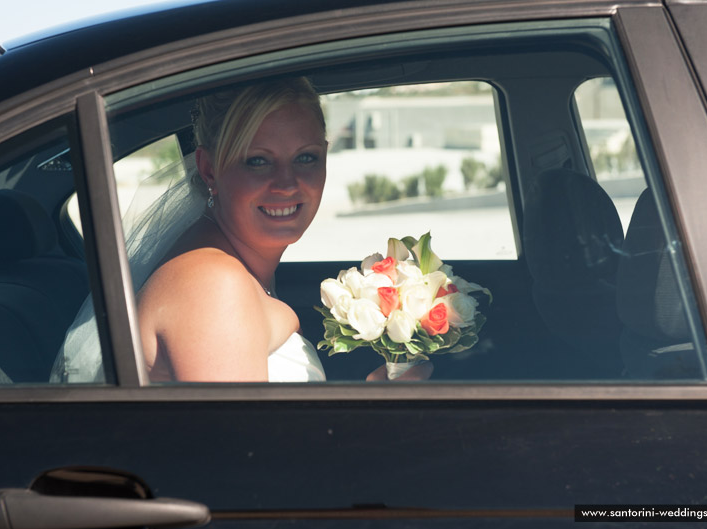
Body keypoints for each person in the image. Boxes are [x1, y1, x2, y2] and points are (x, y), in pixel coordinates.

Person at [54, 77, 431, 383]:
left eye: (306, 157)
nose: (287, 183)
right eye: (257, 161)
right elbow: (243, 464)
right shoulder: (212, 286)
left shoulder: (230, 266)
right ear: (209, 170)